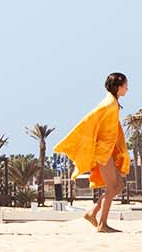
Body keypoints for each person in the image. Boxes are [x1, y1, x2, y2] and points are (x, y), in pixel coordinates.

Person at [55, 73, 132, 232]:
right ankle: (102, 224)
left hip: (107, 151)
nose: (127, 88)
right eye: (125, 85)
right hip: (101, 152)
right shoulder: (109, 103)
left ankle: (92, 213)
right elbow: (90, 120)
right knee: (112, 187)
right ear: (118, 87)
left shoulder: (113, 102)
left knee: (119, 185)